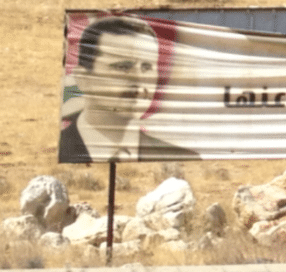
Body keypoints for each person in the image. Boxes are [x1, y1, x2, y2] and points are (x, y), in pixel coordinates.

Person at [58, 16, 199, 163]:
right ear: (84, 79)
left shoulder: (182, 159)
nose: (139, 79)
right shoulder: (55, 152)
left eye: (146, 67)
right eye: (123, 67)